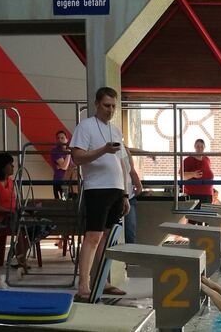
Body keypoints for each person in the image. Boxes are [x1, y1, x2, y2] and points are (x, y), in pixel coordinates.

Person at [70, 87, 130, 301]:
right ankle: (83, 284)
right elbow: (77, 158)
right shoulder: (85, 127)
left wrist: (124, 193)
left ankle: (102, 280)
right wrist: (103, 150)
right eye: (106, 105)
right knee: (93, 236)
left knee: (106, 238)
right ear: (96, 104)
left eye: (113, 106)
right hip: (96, 188)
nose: (110, 110)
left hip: (115, 189)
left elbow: (121, 162)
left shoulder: (115, 130)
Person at [182, 139, 215, 204]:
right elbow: (181, 175)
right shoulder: (188, 160)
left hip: (207, 195)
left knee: (206, 213)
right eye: (197, 146)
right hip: (193, 195)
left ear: (204, 147)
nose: (199, 148)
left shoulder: (207, 159)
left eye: (201, 146)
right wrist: (193, 174)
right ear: (194, 147)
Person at [122, 148, 143, 244]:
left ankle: (128, 257)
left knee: (130, 231)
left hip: (129, 196)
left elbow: (132, 170)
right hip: (118, 195)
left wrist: (138, 184)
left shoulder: (125, 149)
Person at [51, 130, 72, 200]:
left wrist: (62, 166)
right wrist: (69, 153)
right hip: (60, 181)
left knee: (70, 203)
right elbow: (65, 166)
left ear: (67, 139)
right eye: (58, 138)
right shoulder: (55, 151)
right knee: (62, 203)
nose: (60, 140)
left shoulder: (72, 150)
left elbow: (73, 166)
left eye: (62, 138)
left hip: (70, 181)